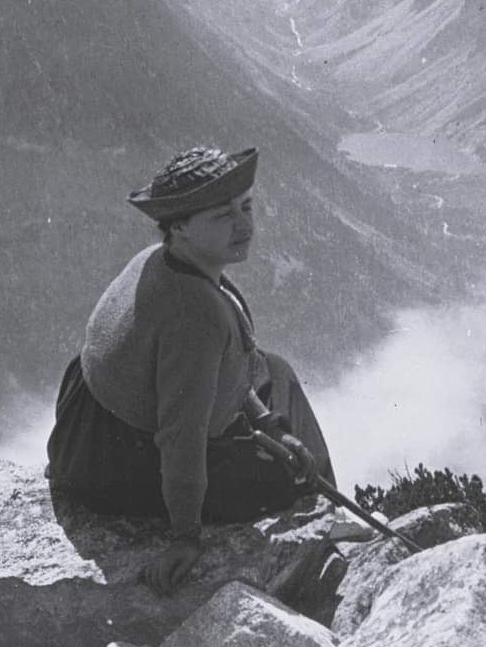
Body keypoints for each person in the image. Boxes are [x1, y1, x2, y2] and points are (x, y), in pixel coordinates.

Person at [46, 145, 335, 596]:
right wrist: (185, 535)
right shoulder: (195, 315)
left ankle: (316, 494)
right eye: (223, 216)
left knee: (275, 372)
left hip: (83, 432)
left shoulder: (159, 259)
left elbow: (219, 370)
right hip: (116, 464)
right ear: (179, 226)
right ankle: (325, 529)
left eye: (246, 207)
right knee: (288, 476)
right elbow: (181, 435)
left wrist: (268, 425)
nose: (244, 225)